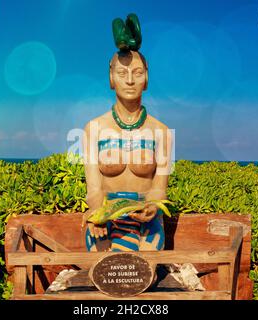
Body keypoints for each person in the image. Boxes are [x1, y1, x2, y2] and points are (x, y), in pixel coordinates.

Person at [81, 14, 173, 252]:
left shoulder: (161, 132)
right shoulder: (94, 129)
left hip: (146, 218)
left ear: (147, 78)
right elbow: (94, 188)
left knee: (143, 267)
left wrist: (153, 206)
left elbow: (159, 187)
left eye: (138, 73)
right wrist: (97, 212)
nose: (130, 80)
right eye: (122, 74)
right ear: (111, 78)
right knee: (107, 268)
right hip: (106, 216)